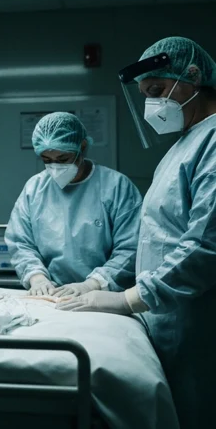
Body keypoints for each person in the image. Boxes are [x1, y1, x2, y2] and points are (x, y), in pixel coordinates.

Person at [59, 37, 216, 429]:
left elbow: (205, 247)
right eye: (146, 94)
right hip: (167, 318)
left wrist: (128, 298)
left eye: (158, 90)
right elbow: (158, 235)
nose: (153, 104)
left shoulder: (212, 142)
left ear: (192, 76)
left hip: (196, 325)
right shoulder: (186, 144)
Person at [5, 112, 142, 297]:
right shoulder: (34, 188)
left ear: (82, 147)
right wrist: (37, 277)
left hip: (104, 295)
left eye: (63, 159)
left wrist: (92, 285)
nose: (55, 167)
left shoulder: (115, 187)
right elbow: (21, 242)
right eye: (47, 160)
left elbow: (130, 247)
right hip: (51, 295)